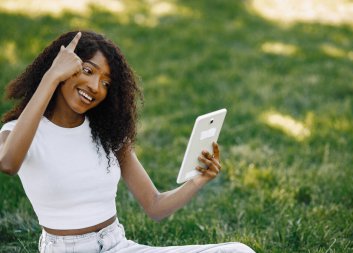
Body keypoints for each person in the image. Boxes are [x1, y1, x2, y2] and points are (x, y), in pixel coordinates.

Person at [0, 31, 254, 253]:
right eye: (87, 70)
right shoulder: (20, 131)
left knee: (238, 250)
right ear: (62, 68)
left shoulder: (105, 132)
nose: (95, 86)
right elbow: (8, 163)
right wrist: (51, 77)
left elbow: (155, 206)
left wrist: (198, 180)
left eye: (106, 82)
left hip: (118, 246)